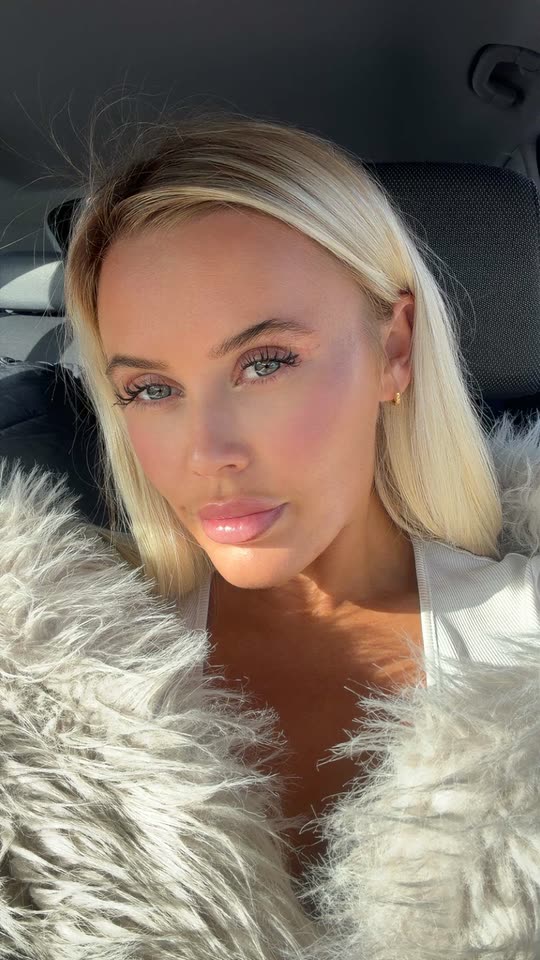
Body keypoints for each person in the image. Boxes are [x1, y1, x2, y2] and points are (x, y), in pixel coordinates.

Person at [0, 112, 538, 959]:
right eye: (151, 390)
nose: (207, 452)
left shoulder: (526, 631)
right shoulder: (35, 681)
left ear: (395, 350)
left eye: (265, 363)